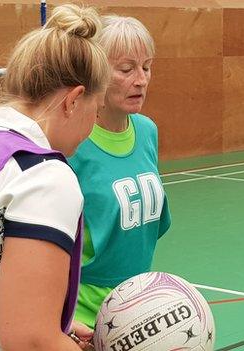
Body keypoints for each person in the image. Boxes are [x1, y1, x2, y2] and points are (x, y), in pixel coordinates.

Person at [0, 4, 109, 350]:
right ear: (74, 100)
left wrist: (47, 314)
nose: (93, 127)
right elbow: (30, 341)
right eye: (96, 110)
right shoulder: (42, 176)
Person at [69, 15, 171, 328]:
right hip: (82, 315)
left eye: (147, 67)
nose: (140, 79)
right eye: (126, 69)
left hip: (136, 307)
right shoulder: (73, 143)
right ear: (96, 73)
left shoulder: (146, 131)